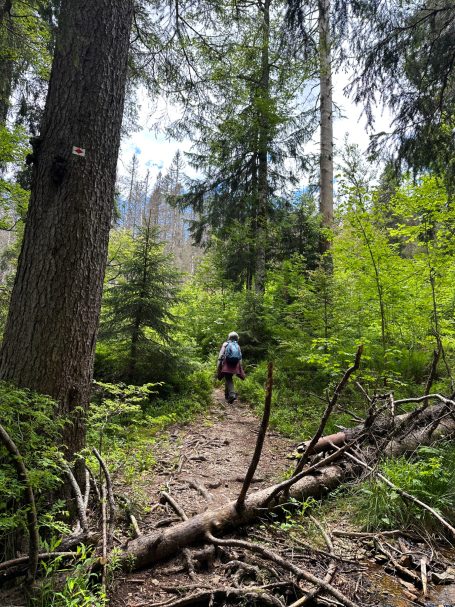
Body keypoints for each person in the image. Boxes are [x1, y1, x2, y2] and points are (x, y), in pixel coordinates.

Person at [217, 331, 245, 403]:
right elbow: (240, 357)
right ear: (237, 338)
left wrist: (218, 364)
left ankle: (232, 394)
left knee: (228, 378)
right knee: (228, 377)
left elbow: (221, 355)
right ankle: (227, 396)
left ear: (229, 337)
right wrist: (240, 366)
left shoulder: (226, 344)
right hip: (235, 364)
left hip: (227, 364)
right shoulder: (237, 345)